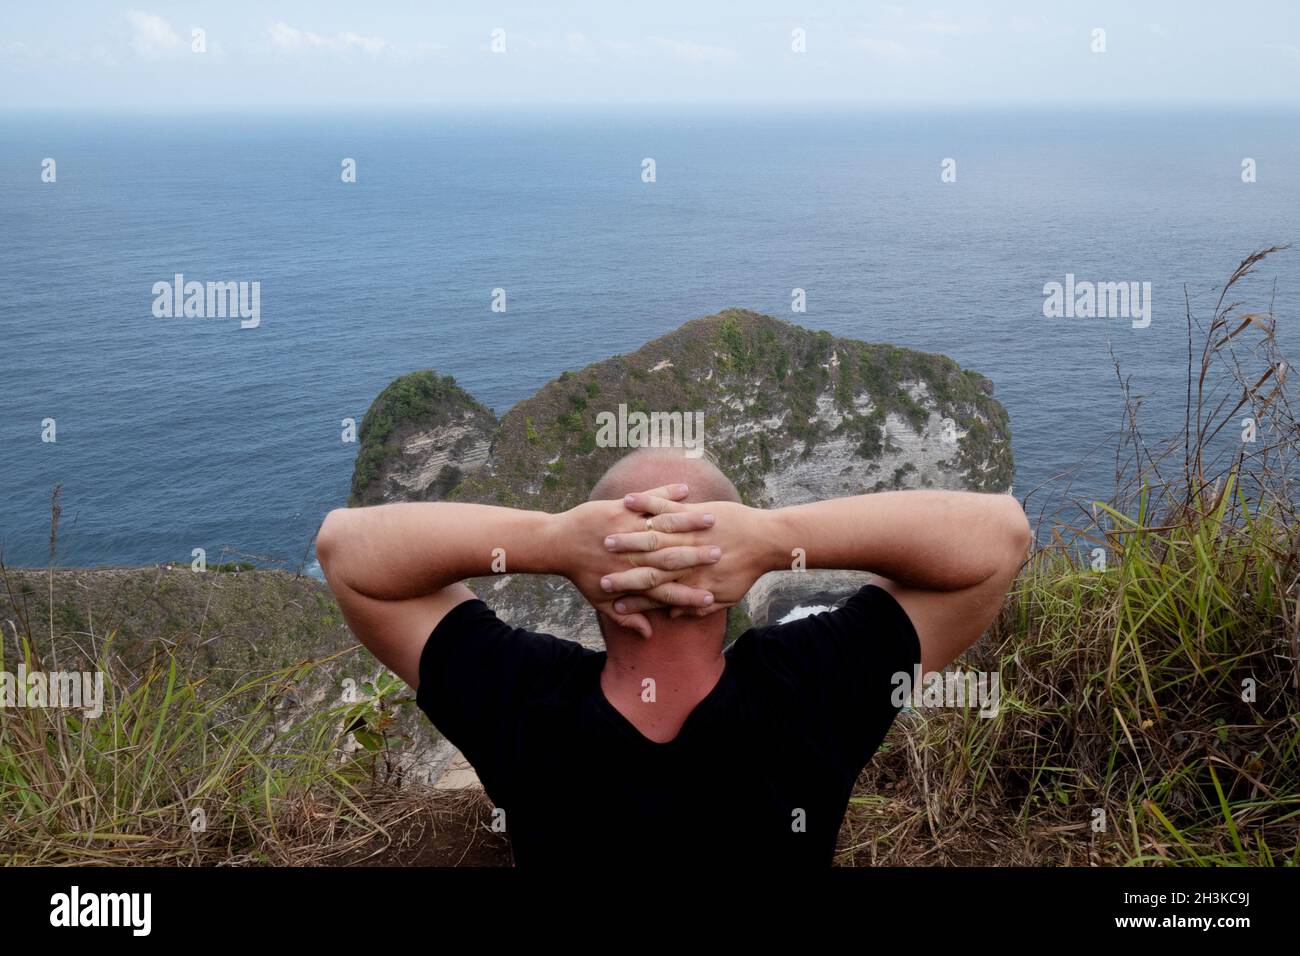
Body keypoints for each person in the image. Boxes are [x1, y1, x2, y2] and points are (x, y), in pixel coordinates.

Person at [315, 447, 1029, 865]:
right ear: (729, 577)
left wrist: (552, 541)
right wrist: (774, 539)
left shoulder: (519, 697)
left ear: (598, 584)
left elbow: (347, 549)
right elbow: (999, 534)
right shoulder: (815, 686)